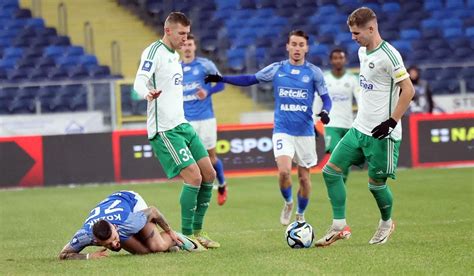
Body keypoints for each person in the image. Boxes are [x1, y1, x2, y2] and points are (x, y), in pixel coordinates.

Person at [205, 30, 332, 225]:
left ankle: (300, 214)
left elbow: (326, 99)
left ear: (306, 48)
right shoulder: (277, 69)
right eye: (294, 44)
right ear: (287, 47)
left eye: (301, 45)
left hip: (305, 132)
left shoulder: (314, 72)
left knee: (305, 179)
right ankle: (288, 202)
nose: (297, 48)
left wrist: (325, 112)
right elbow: (250, 79)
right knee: (283, 172)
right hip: (283, 130)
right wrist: (222, 79)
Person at [315, 7, 415, 247]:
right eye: (351, 32)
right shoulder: (362, 52)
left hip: (383, 135)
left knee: (375, 185)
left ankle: (386, 223)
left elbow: (408, 90)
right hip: (359, 128)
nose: (353, 37)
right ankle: (339, 226)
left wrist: (391, 121)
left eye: (356, 32)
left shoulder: (390, 55)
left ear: (371, 28)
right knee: (330, 172)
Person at [133, 12, 219, 249]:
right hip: (165, 129)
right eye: (181, 33)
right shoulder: (154, 52)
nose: (185, 38)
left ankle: (199, 232)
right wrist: (146, 93)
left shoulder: (174, 56)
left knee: (209, 175)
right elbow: (139, 80)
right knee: (194, 176)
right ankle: (186, 237)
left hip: (182, 125)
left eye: (187, 34)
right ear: (167, 30)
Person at [59, 191, 202, 260]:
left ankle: (179, 238)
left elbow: (153, 211)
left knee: (156, 246)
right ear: (96, 241)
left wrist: (169, 230)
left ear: (114, 228)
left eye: (115, 239)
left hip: (132, 203)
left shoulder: (128, 223)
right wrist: (89, 256)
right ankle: (171, 247)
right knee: (143, 253)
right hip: (113, 209)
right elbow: (63, 255)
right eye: (109, 244)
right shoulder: (85, 235)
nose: (115, 245)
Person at [180, 33, 228, 206]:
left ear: (194, 47)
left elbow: (221, 83)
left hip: (205, 118)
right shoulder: (176, 69)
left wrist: (208, 92)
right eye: (184, 44)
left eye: (190, 44)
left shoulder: (205, 65)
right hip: (186, 121)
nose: (187, 48)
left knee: (211, 157)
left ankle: (222, 185)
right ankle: (198, 190)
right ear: (181, 47)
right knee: (191, 159)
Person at [320, 48, 359, 183]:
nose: (338, 60)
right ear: (331, 60)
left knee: (346, 158)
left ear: (345, 60)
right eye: (335, 58)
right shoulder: (325, 78)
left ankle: (341, 183)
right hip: (331, 124)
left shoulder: (352, 79)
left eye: (340, 58)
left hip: (348, 124)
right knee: (336, 153)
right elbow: (317, 99)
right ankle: (337, 182)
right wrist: (314, 119)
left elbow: (360, 99)